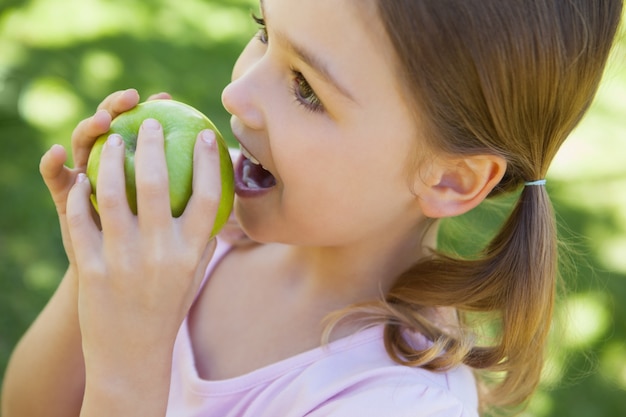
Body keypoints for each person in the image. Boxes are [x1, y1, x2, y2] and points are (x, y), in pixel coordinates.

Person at [2, 0, 623, 416]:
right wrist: (96, 269)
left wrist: (126, 367)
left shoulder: (391, 401)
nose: (235, 93)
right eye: (263, 30)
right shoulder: (207, 240)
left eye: (306, 88)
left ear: (452, 179)